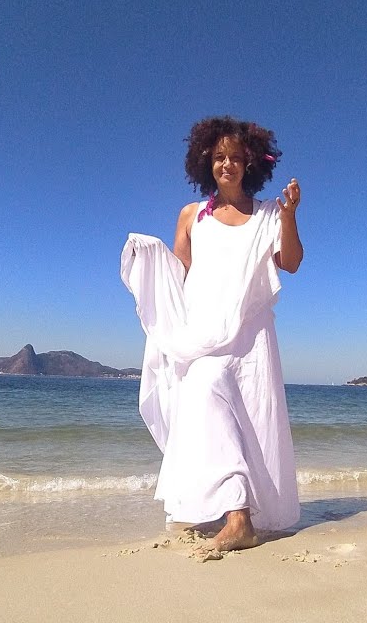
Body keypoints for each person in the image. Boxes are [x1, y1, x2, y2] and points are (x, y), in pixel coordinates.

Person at [120, 115, 303, 551]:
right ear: (207, 161)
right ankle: (236, 514)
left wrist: (290, 216)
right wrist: (151, 258)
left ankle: (242, 515)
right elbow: (180, 275)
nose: (227, 164)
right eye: (220, 157)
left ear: (250, 163)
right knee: (204, 395)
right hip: (203, 331)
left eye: (235, 157)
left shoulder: (268, 214)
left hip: (251, 335)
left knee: (251, 420)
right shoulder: (191, 216)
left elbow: (291, 263)